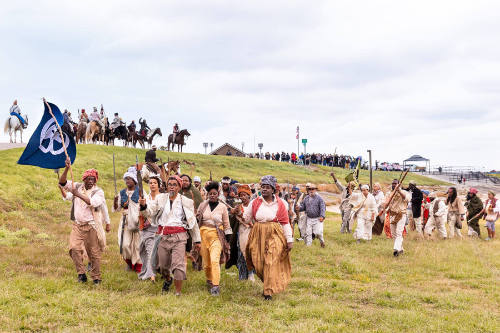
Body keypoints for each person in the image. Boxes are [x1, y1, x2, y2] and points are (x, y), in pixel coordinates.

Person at [143, 175, 201, 295]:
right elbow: (149, 212)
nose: (172, 187)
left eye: (175, 185)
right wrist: (143, 206)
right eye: (170, 184)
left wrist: (197, 240)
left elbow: (192, 221)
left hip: (179, 237)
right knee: (163, 266)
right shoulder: (160, 198)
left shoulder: (186, 201)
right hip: (163, 236)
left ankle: (178, 292)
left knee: (178, 265)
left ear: (179, 187)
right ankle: (168, 280)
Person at [59, 158, 110, 284]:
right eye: (89, 179)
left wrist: (77, 193)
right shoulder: (77, 186)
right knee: (74, 248)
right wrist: (66, 168)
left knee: (93, 253)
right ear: (84, 179)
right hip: (77, 225)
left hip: (91, 226)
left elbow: (92, 203)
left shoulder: (98, 192)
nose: (91, 181)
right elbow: (62, 182)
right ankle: (81, 274)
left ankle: (96, 277)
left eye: (93, 179)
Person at [243, 175, 293, 300]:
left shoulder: (281, 204)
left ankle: (268, 292)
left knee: (270, 259)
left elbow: (285, 222)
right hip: (258, 232)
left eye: (267, 187)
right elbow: (247, 218)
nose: (264, 189)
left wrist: (289, 239)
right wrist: (238, 213)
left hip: (274, 232)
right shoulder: (254, 202)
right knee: (258, 263)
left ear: (273, 190)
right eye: (262, 187)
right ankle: (268, 281)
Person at [195, 181, 232, 295]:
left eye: (214, 193)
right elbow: (197, 219)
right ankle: (209, 279)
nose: (212, 195)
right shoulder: (203, 205)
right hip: (203, 235)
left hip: (216, 236)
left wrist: (228, 239)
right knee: (206, 264)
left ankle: (215, 286)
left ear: (218, 194)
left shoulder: (222, 207)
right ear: (207, 194)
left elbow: (226, 224)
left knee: (215, 260)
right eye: (210, 193)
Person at [113, 166, 143, 273]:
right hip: (125, 222)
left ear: (135, 180)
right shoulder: (122, 193)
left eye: (130, 179)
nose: (127, 181)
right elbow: (117, 209)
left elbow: (145, 206)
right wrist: (115, 201)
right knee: (125, 244)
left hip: (137, 221)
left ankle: (139, 267)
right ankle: (130, 263)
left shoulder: (140, 192)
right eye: (126, 179)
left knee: (137, 245)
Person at [138, 176, 162, 281]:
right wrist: (142, 207)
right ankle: (147, 272)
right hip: (145, 227)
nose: (152, 184)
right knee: (144, 251)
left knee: (152, 251)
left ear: (158, 185)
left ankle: (152, 275)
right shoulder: (145, 198)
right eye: (150, 183)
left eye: (154, 183)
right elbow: (140, 211)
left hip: (158, 228)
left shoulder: (162, 198)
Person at [383, 179, 410, 256]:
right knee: (394, 233)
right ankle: (400, 249)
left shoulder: (404, 192)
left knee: (399, 232)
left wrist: (399, 191)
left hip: (401, 214)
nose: (394, 185)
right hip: (392, 215)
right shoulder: (389, 193)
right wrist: (386, 204)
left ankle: (396, 249)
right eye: (393, 183)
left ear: (399, 184)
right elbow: (384, 203)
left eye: (395, 184)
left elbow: (407, 199)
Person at [235, 184, 255, 281]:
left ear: (248, 195)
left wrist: (252, 224)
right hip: (241, 232)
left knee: (250, 253)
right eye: (241, 195)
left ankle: (251, 273)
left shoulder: (253, 206)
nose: (242, 197)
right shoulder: (238, 207)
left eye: (244, 195)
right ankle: (242, 275)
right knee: (241, 253)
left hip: (252, 232)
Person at [298, 183, 326, 247]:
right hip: (309, 218)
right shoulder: (306, 198)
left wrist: (322, 216)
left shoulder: (319, 198)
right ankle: (309, 247)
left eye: (312, 189)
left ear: (315, 190)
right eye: (309, 189)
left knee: (318, 233)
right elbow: (303, 207)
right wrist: (299, 208)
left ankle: (322, 241)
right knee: (308, 233)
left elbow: (323, 208)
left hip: (318, 218)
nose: (311, 190)